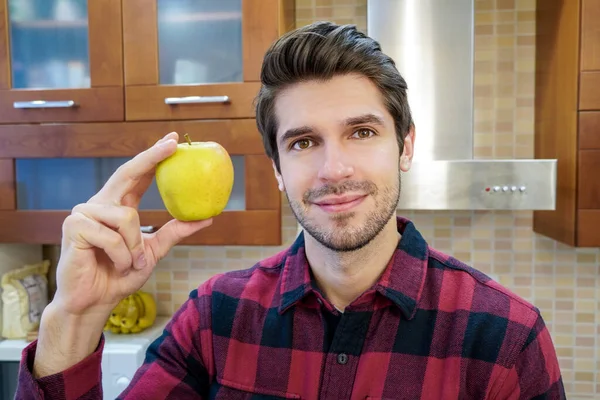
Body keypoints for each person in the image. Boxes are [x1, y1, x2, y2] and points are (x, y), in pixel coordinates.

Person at [16, 22, 565, 400]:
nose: (334, 169)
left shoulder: (505, 337)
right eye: (303, 143)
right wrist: (75, 316)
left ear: (405, 146)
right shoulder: (214, 319)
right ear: (277, 168)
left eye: (362, 132)